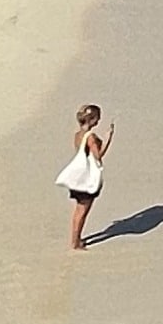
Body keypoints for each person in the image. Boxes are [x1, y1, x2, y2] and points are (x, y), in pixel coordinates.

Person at [55, 105, 112, 251]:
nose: (98, 121)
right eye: (97, 118)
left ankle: (75, 239)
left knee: (78, 211)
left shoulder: (77, 135)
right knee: (83, 210)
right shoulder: (90, 137)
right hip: (86, 180)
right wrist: (108, 139)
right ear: (92, 119)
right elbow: (98, 157)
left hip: (79, 177)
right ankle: (76, 242)